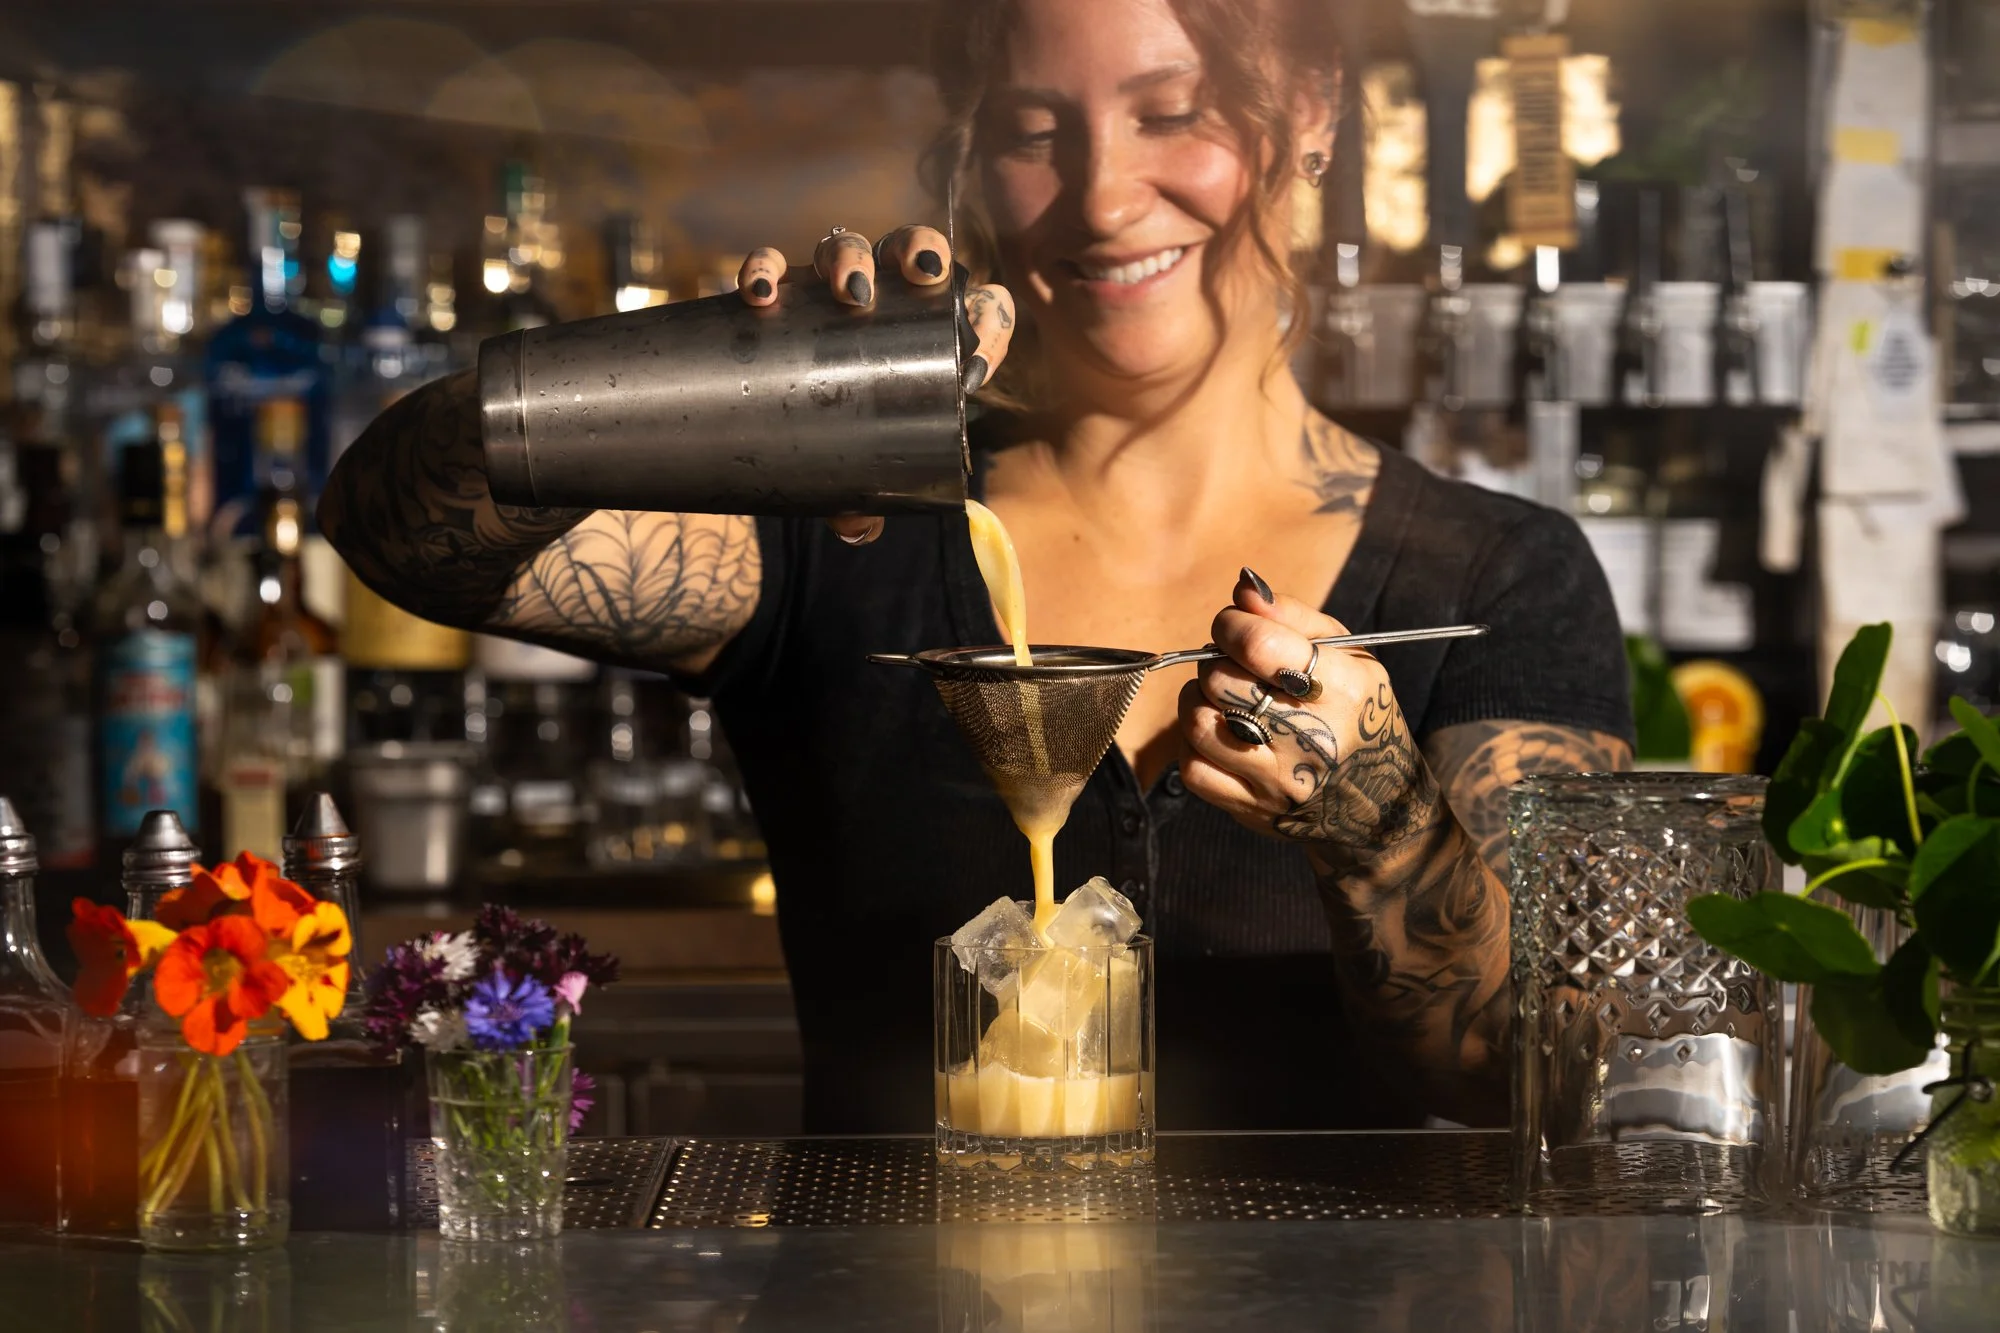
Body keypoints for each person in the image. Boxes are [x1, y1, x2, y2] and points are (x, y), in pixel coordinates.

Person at [322, 0, 1632, 1133]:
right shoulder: (839, 528)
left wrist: (1382, 833)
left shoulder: (1495, 578)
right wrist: (742, 376)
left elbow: (1539, 1076)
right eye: (1033, 133)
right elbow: (397, 518)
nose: (1105, 199)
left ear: (1308, 114)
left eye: (1174, 114)